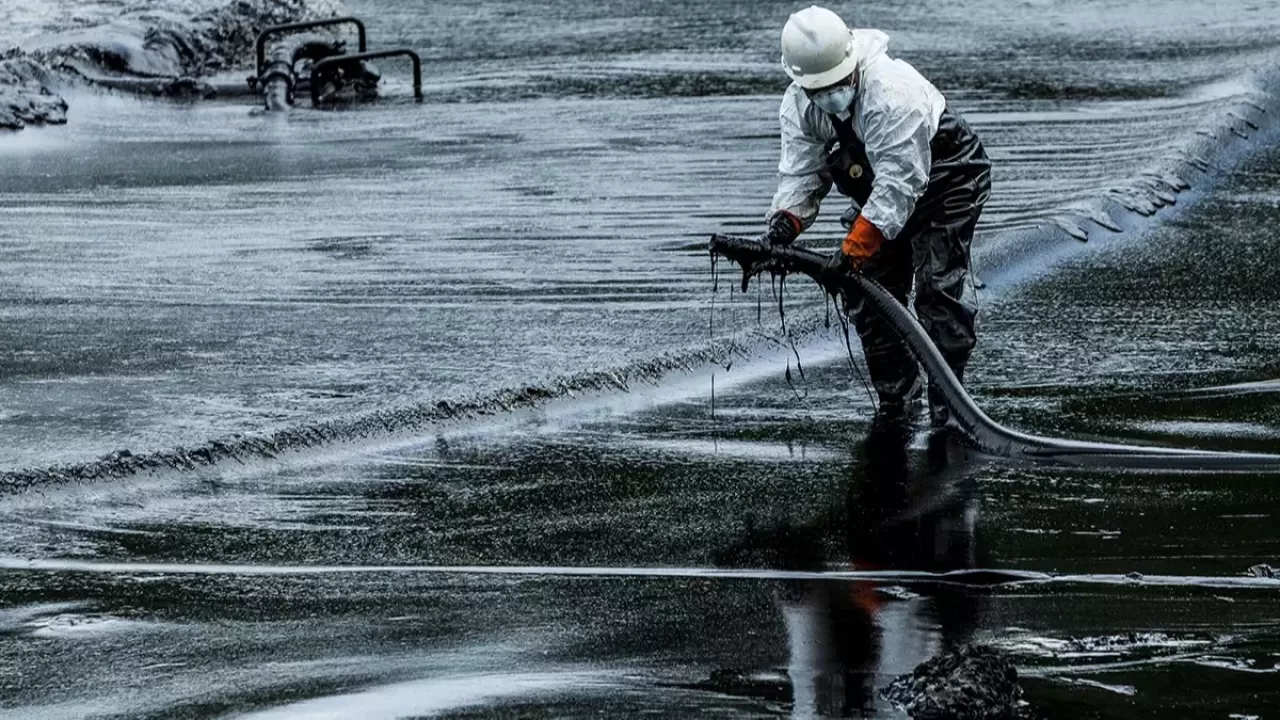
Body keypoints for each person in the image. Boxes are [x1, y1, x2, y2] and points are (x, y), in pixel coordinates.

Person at [760, 5, 992, 426]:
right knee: (867, 295)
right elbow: (801, 172)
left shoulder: (891, 93)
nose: (830, 94)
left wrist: (854, 248)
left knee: (936, 293)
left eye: (838, 84)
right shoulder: (800, 106)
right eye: (819, 89)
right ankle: (898, 402)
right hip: (881, 185)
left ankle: (951, 409)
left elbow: (900, 185)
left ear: (852, 67)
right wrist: (784, 224)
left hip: (947, 178)